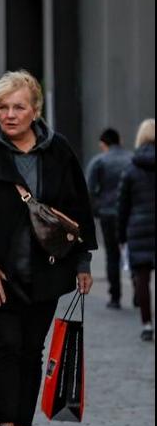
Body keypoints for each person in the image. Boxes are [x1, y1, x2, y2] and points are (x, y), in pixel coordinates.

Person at [0, 71, 95, 426]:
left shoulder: (59, 151)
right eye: (3, 107)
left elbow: (78, 208)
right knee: (7, 344)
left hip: (47, 268)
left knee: (33, 349)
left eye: (18, 107)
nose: (10, 114)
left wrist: (83, 261)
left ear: (35, 109)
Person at [85, 127, 132, 308]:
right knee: (132, 253)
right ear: (119, 140)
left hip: (108, 214)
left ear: (103, 144)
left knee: (112, 255)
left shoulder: (99, 161)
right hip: (130, 214)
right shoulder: (131, 159)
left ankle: (115, 296)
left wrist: (96, 209)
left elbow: (90, 190)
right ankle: (138, 292)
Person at [118, 119, 155, 341]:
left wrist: (121, 236)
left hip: (138, 229)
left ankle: (147, 324)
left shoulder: (131, 168)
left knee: (142, 279)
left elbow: (123, 206)